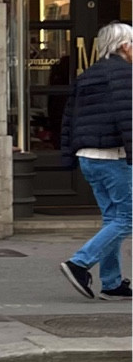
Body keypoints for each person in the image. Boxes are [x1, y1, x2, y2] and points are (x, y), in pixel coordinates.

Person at [59, 21, 132, 300]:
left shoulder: (89, 74)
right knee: (127, 219)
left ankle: (112, 283)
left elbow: (69, 118)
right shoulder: (125, 75)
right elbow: (129, 119)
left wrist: (68, 154)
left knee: (113, 218)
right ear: (124, 46)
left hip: (89, 157)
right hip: (113, 158)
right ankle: (79, 263)